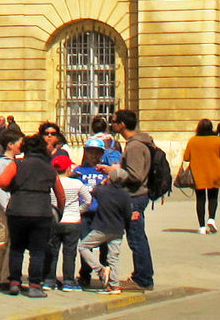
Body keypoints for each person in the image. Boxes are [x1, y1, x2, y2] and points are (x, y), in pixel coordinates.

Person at [0, 131, 65, 297]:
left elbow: (1, 182)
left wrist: (13, 188)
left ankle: (14, 283)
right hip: (41, 213)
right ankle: (34, 285)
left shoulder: (17, 164)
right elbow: (60, 195)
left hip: (17, 210)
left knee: (17, 248)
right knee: (38, 251)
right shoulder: (49, 169)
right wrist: (59, 211)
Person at [114, 109, 156, 292]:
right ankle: (142, 276)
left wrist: (114, 172)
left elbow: (135, 175)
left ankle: (143, 279)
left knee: (136, 238)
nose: (112, 124)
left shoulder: (135, 146)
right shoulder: (136, 143)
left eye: (114, 121)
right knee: (137, 237)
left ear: (122, 125)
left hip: (135, 197)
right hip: (136, 196)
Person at [78, 157, 132, 290]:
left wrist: (103, 182)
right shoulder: (125, 195)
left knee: (83, 246)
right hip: (118, 230)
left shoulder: (102, 191)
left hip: (101, 227)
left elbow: (92, 191)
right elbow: (127, 214)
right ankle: (114, 285)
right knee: (113, 257)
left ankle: (99, 269)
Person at [180, 118, 220, 232]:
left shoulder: (193, 141)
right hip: (216, 173)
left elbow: (186, 157)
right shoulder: (219, 141)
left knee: (200, 199)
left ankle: (202, 227)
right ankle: (211, 219)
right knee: (213, 197)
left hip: (198, 173)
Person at [0, 127, 23, 291]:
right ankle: (0, 277)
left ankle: (5, 275)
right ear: (10, 145)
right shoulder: (1, 163)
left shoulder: (14, 162)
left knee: (9, 242)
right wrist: (7, 208)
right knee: (3, 241)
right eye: (19, 143)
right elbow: (0, 189)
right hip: (6, 209)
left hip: (12, 207)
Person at [55, 153, 95, 290]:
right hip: (72, 220)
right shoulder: (76, 183)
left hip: (55, 220)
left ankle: (49, 280)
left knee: (53, 252)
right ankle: (68, 281)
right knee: (69, 253)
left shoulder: (51, 183)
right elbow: (88, 200)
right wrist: (79, 210)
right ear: (68, 169)